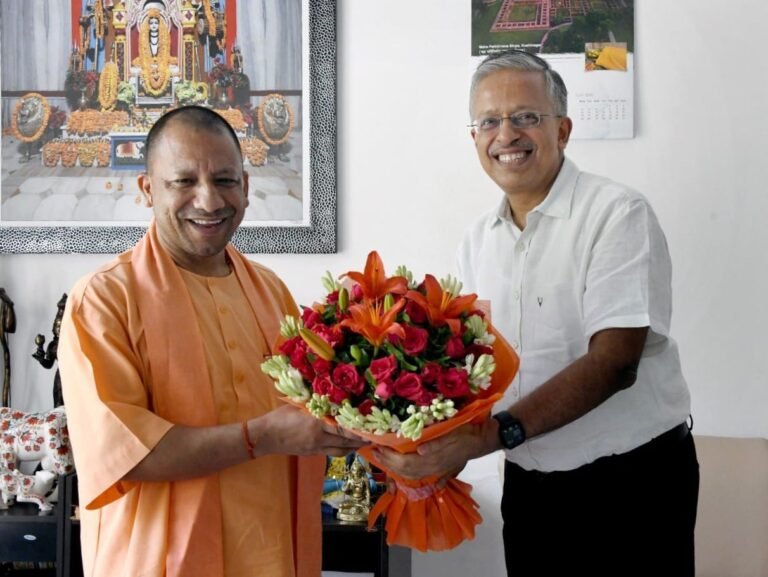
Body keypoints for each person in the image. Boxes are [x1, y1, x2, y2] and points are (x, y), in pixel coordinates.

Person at [374, 50, 699, 576]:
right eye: (489, 122)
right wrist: (423, 442)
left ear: (562, 130)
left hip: (632, 483)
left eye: (525, 116)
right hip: (530, 483)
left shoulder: (617, 214)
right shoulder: (477, 242)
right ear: (474, 138)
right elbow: (472, 368)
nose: (506, 135)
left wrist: (488, 437)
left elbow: (615, 362)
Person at [58, 106, 366, 577]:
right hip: (158, 564)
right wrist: (261, 438)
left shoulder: (272, 292)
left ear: (245, 186)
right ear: (147, 189)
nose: (208, 200)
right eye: (184, 182)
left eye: (224, 180)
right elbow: (125, 454)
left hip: (269, 556)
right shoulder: (104, 299)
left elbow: (312, 413)